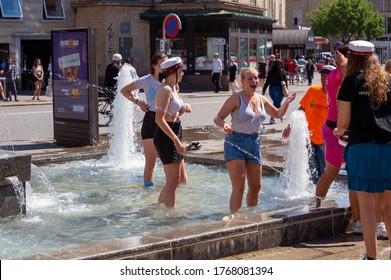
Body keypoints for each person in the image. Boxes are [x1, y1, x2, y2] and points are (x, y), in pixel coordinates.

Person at [334, 40, 391, 260]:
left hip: (362, 146)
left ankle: (372, 257)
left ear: (353, 58)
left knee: (367, 207)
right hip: (387, 146)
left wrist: (338, 131)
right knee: (388, 205)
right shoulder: (387, 81)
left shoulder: (350, 82)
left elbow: (344, 122)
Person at [214, 67, 296, 213]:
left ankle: (252, 215)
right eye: (250, 78)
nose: (254, 81)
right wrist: (224, 125)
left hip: (254, 143)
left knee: (256, 187)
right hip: (235, 143)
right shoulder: (236, 98)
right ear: (243, 81)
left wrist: (287, 102)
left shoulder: (261, 98)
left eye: (256, 78)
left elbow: (277, 114)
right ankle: (235, 219)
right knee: (239, 188)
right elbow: (218, 118)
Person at [121, 52, 168, 188]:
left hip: (166, 120)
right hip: (151, 121)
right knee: (151, 161)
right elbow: (125, 91)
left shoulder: (169, 80)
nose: (164, 67)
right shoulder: (146, 80)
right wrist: (139, 102)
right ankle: (148, 190)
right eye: (162, 64)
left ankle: (170, 186)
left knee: (169, 159)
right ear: (154, 65)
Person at [282, 65, 335, 185]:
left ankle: (321, 197)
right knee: (309, 171)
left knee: (323, 172)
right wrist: (290, 126)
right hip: (308, 138)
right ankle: (312, 195)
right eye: (322, 76)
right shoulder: (313, 90)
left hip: (325, 141)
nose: (323, 79)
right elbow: (301, 109)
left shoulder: (336, 97)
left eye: (327, 77)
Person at [154, 57, 192, 208]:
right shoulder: (166, 90)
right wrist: (176, 140)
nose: (183, 73)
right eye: (180, 71)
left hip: (174, 131)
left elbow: (172, 115)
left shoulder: (174, 88)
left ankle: (160, 207)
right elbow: (159, 119)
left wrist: (182, 109)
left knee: (177, 180)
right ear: (173, 72)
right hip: (166, 136)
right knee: (173, 181)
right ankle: (169, 215)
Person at [262, 59, 288, 124]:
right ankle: (272, 118)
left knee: (276, 103)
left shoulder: (270, 72)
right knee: (276, 104)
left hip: (271, 90)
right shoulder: (282, 71)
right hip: (279, 89)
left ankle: (281, 116)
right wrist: (287, 88)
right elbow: (285, 81)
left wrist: (264, 91)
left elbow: (267, 82)